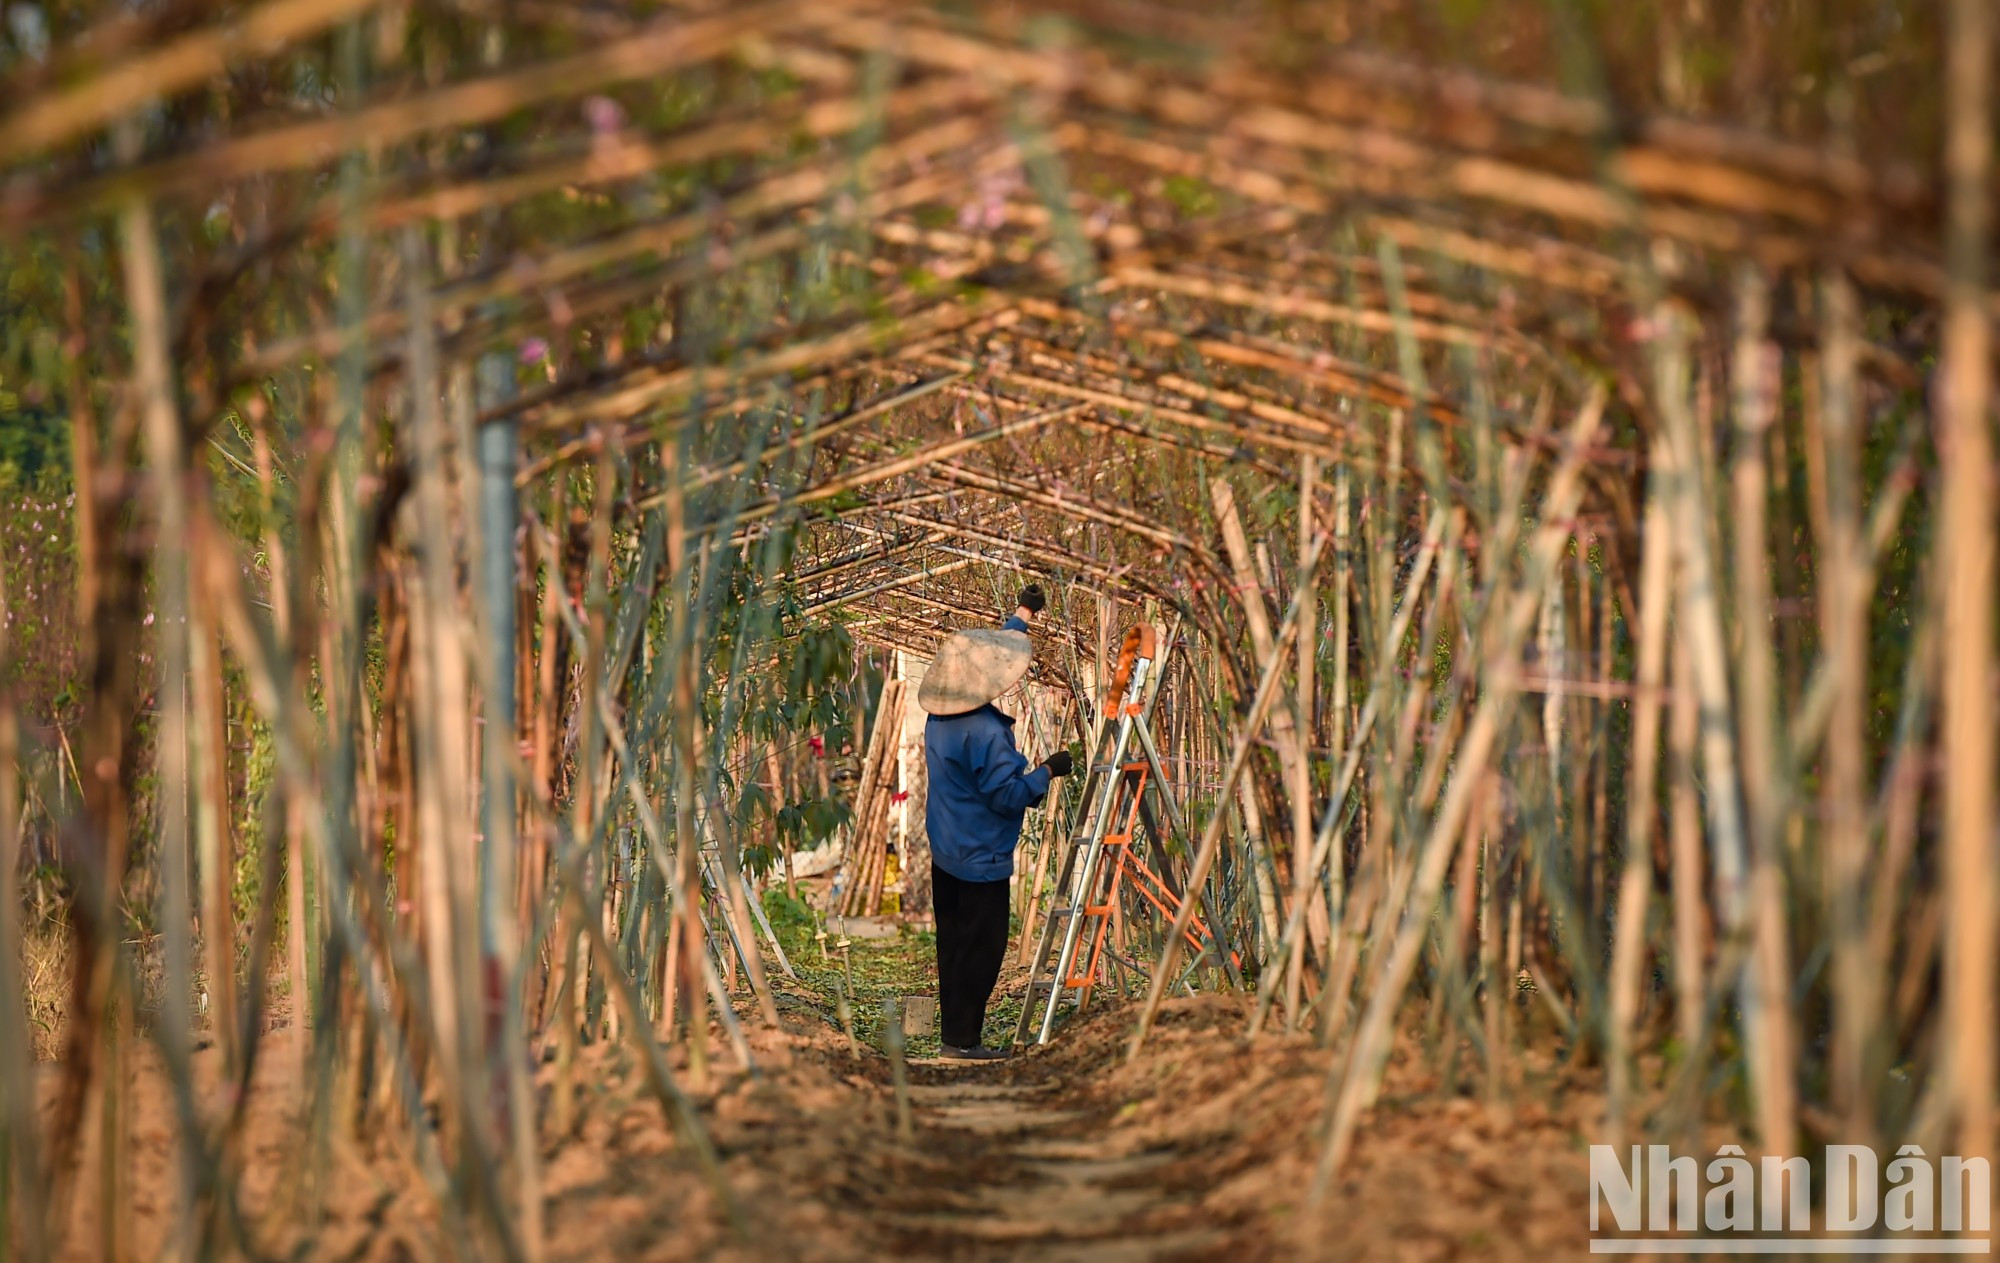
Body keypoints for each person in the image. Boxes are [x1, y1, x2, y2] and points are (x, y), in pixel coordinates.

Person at [917, 583, 1073, 1061]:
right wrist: (1048, 770)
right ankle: (964, 1043)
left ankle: (953, 1038)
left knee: (953, 944)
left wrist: (1023, 615)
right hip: (981, 857)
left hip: (946, 848)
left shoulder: (939, 719)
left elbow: (988, 656)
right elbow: (1008, 795)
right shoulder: (985, 734)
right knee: (982, 951)